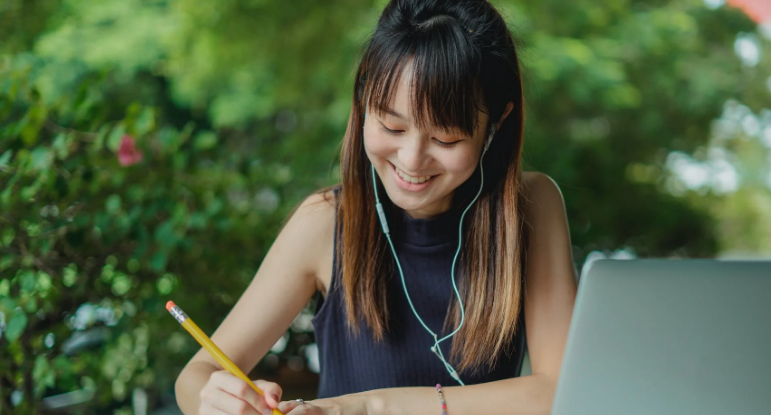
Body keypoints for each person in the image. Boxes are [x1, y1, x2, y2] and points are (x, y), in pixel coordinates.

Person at [174, 0, 577, 414]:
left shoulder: (531, 208)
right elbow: (196, 375)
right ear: (364, 98)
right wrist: (215, 398)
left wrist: (369, 407)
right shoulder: (325, 222)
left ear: (496, 123)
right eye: (392, 126)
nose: (412, 160)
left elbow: (561, 392)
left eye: (446, 140)